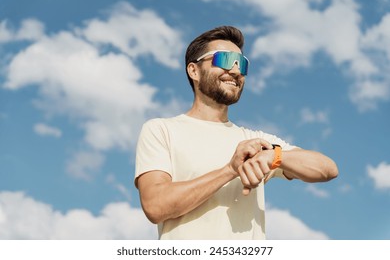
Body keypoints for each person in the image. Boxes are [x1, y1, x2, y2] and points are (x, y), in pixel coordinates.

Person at [134, 26, 338, 240]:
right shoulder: (161, 130)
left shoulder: (255, 142)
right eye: (224, 59)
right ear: (194, 70)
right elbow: (155, 206)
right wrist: (230, 170)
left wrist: (274, 156)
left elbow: (328, 169)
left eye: (242, 64)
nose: (235, 71)